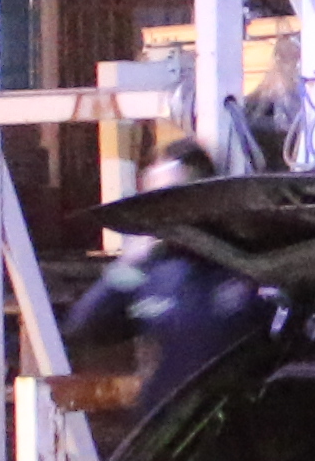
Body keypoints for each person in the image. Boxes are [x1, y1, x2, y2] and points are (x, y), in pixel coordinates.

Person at [67, 141, 266, 421]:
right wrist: (130, 263)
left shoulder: (247, 263)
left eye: (169, 196)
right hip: (169, 437)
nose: (160, 211)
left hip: (235, 432)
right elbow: (84, 327)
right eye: (152, 197)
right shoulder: (150, 271)